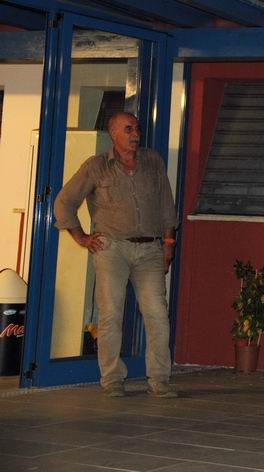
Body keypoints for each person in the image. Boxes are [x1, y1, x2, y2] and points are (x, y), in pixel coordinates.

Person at [53, 112, 178, 398]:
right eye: (128, 129)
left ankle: (159, 379)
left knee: (158, 314)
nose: (135, 134)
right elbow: (64, 202)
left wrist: (168, 244)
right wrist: (81, 238)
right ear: (113, 134)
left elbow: (166, 205)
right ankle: (112, 379)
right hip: (111, 249)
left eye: (137, 128)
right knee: (111, 314)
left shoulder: (153, 161)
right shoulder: (96, 166)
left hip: (150, 250)